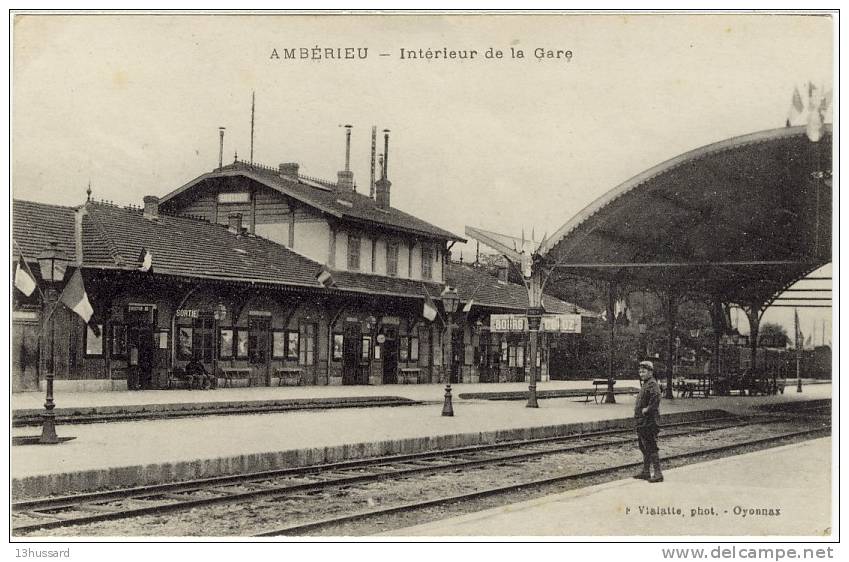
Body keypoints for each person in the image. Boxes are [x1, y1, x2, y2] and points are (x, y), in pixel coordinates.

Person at [634, 360, 663, 483]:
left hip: (649, 421)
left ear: (650, 372)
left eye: (644, 371)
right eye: (640, 371)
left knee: (651, 446)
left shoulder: (652, 384)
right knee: (644, 446)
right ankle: (646, 471)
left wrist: (647, 409)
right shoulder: (646, 383)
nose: (641, 373)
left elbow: (656, 398)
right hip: (642, 421)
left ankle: (658, 473)